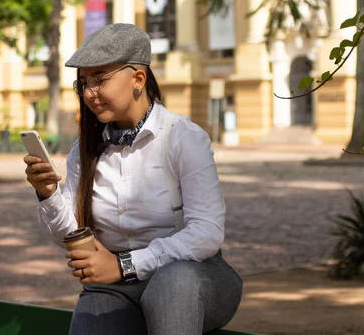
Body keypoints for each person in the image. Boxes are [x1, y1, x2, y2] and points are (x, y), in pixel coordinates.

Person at [23, 23, 243, 335]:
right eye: (83, 83)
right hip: (115, 288)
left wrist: (124, 265)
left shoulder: (183, 138)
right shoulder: (84, 150)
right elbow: (70, 235)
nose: (88, 93)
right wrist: (47, 194)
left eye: (99, 80)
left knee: (172, 284)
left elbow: (207, 233)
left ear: (137, 78)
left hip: (195, 280)